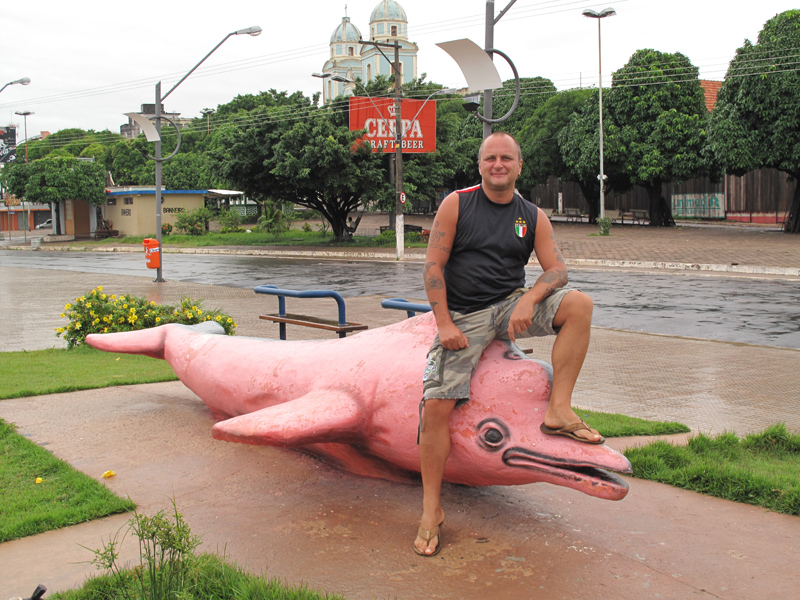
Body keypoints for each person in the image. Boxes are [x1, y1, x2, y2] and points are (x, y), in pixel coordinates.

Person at [414, 131, 602, 557]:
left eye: (506, 159)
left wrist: (531, 299)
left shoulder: (531, 215)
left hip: (512, 304)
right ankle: (431, 509)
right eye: (490, 158)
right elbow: (433, 266)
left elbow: (557, 270)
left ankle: (559, 408)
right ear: (479, 165)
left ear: (520, 166)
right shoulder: (457, 204)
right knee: (436, 406)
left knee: (579, 305)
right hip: (463, 314)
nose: (498, 165)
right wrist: (443, 323)